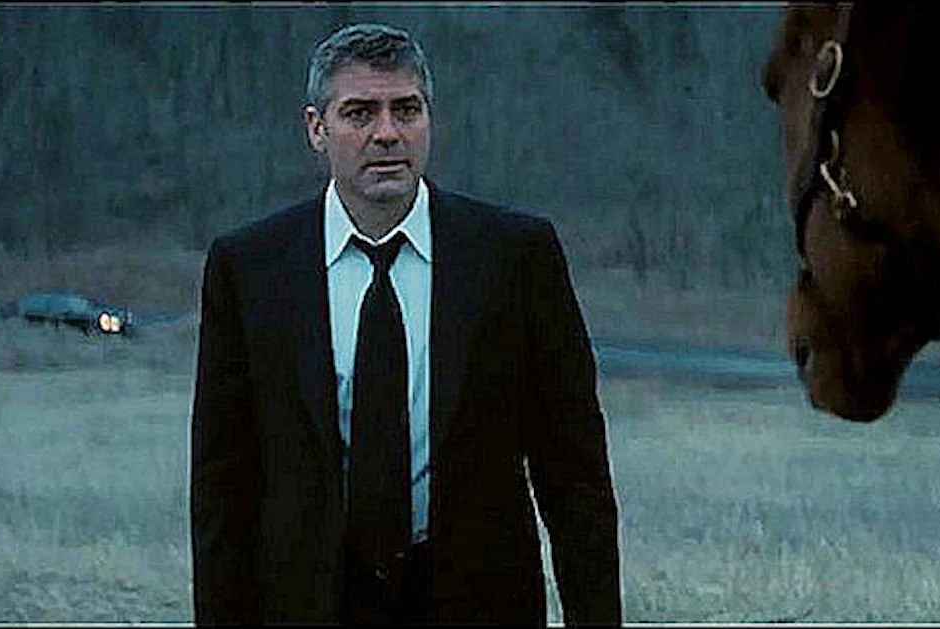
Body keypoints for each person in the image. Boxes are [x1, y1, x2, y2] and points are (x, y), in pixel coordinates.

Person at [189, 23, 621, 625]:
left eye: (406, 110)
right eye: (359, 113)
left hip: (476, 602)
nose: (387, 133)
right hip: (309, 601)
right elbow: (223, 486)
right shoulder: (251, 268)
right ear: (316, 128)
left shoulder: (514, 257)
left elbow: (575, 474)